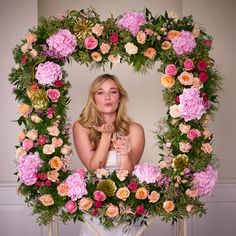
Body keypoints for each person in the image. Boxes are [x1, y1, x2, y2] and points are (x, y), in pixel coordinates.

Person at [73, 74, 145, 235]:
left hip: (126, 205)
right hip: (95, 206)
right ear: (93, 98)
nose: (107, 97)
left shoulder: (135, 130)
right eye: (100, 92)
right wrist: (106, 136)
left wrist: (125, 154)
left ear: (120, 98)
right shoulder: (81, 127)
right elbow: (93, 168)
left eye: (113, 92)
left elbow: (128, 176)